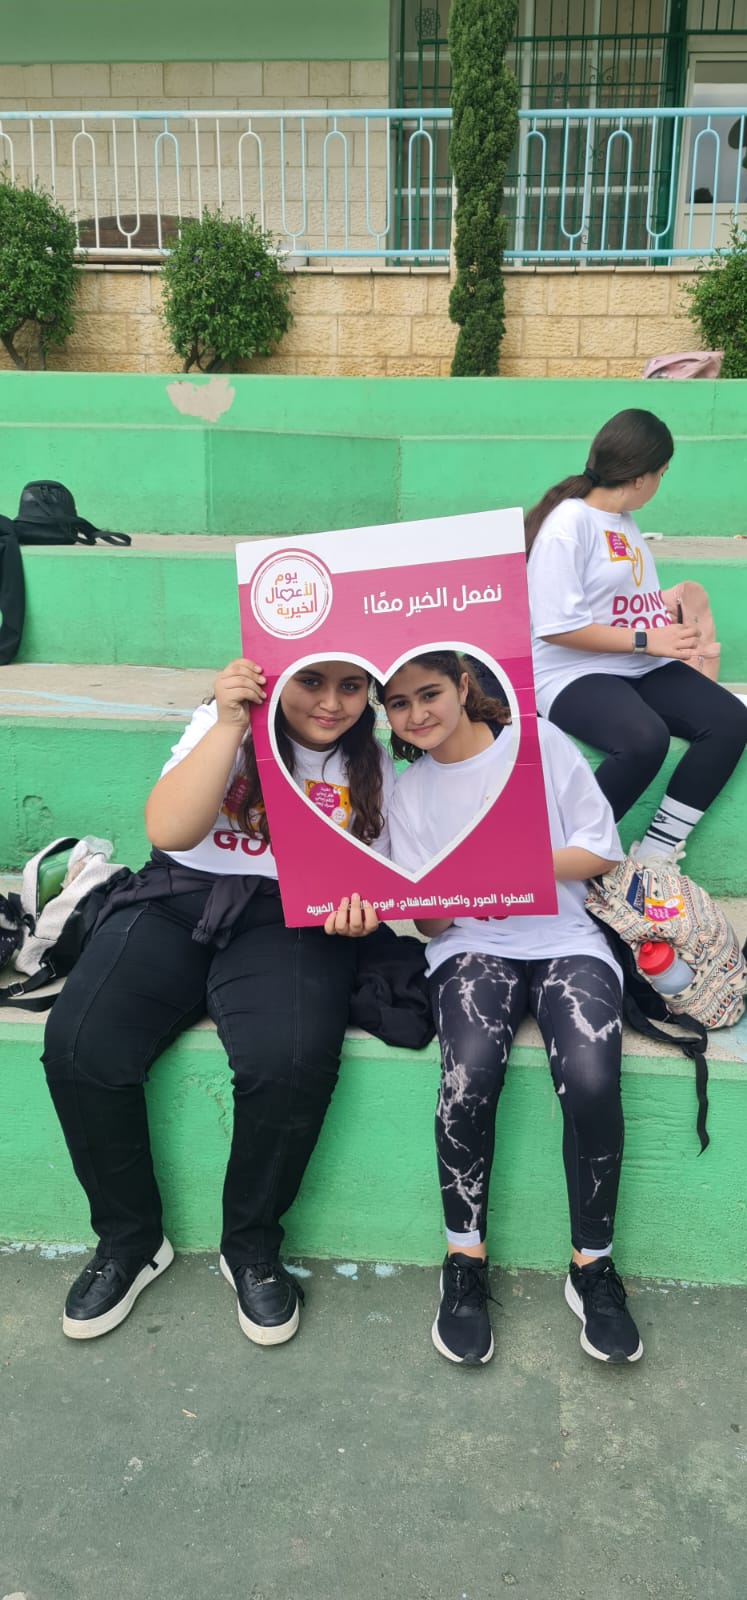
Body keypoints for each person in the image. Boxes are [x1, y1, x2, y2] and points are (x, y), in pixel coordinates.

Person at [43, 658, 394, 1347]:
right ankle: (130, 1240)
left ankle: (251, 1247)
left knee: (288, 1060)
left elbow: (373, 881)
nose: (330, 702)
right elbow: (169, 831)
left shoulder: (370, 762)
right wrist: (232, 722)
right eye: (311, 682)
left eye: (350, 686)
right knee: (80, 1045)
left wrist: (362, 915)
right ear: (276, 680)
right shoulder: (221, 723)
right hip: (177, 895)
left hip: (293, 918)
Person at [377, 651, 641, 1368]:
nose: (416, 714)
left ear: (464, 686)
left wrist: (509, 864)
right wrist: (431, 895)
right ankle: (463, 1260)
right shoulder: (408, 790)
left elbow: (600, 849)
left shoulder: (538, 743)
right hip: (470, 946)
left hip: (566, 938)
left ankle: (592, 1265)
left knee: (591, 1078)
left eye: (429, 693)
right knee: (468, 1074)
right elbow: (430, 923)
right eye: (398, 703)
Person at [525, 408, 747, 861]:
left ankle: (655, 858)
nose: (661, 482)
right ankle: (566, 858)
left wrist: (665, 624)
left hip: (638, 663)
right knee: (644, 740)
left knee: (730, 720)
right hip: (571, 673)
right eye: (662, 473)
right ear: (641, 476)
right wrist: (647, 640)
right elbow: (557, 628)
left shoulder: (624, 521)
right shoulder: (568, 525)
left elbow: (617, 603)